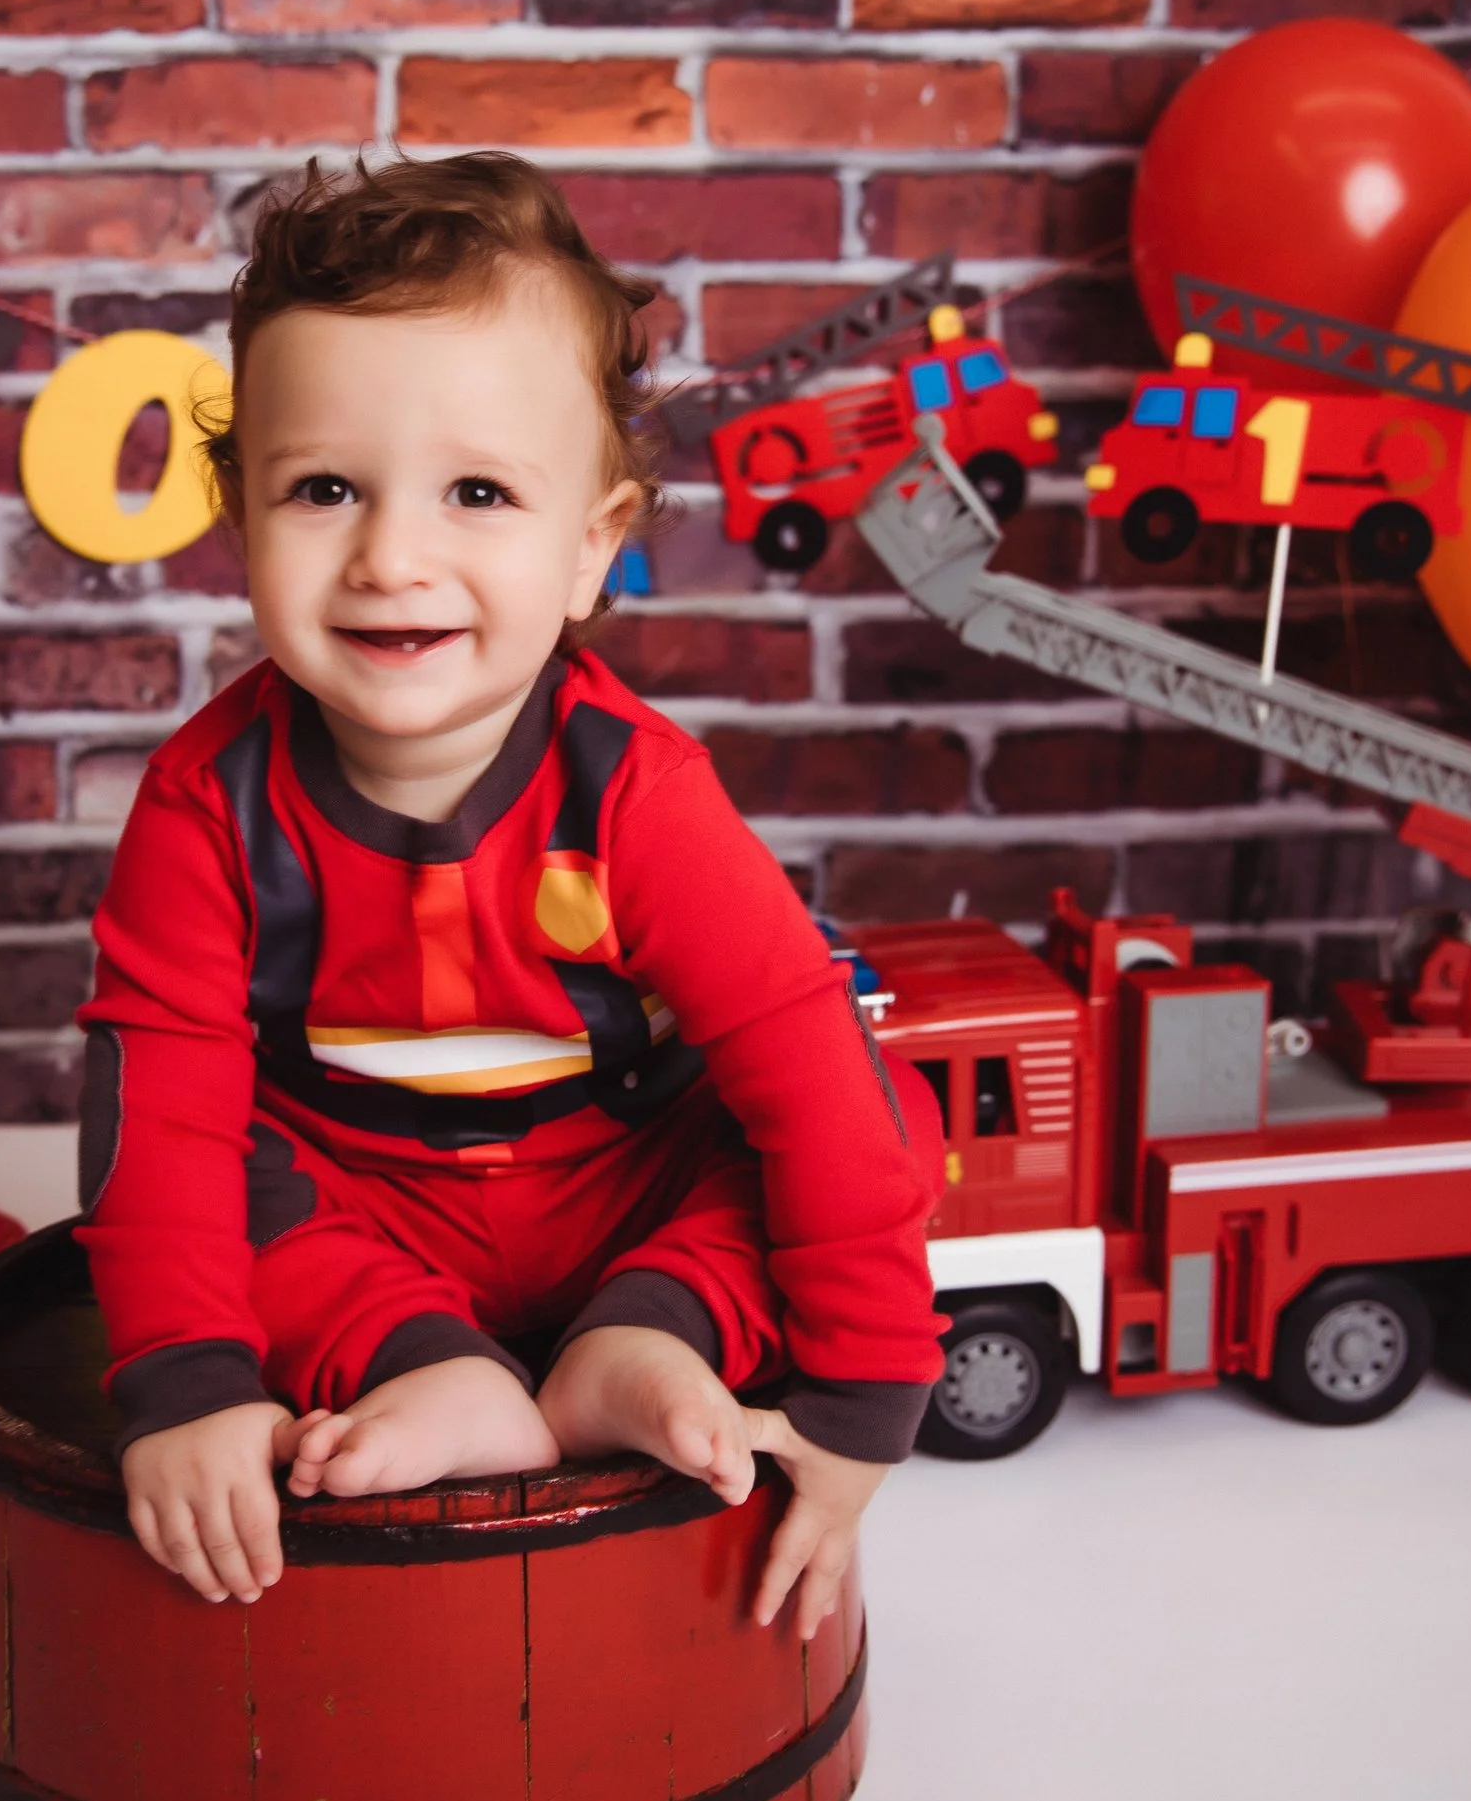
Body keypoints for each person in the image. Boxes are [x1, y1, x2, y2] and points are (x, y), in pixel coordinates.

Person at [74, 151, 946, 1638]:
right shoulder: (206, 804)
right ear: (239, 519)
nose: (391, 557)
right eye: (324, 489)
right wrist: (189, 1383)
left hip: (625, 1189)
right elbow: (158, 1106)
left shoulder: (639, 799)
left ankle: (644, 1338)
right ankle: (431, 1370)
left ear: (591, 548)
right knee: (208, 1184)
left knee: (870, 1112)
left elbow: (805, 1067)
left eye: (477, 491)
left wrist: (865, 1396)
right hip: (365, 1204)